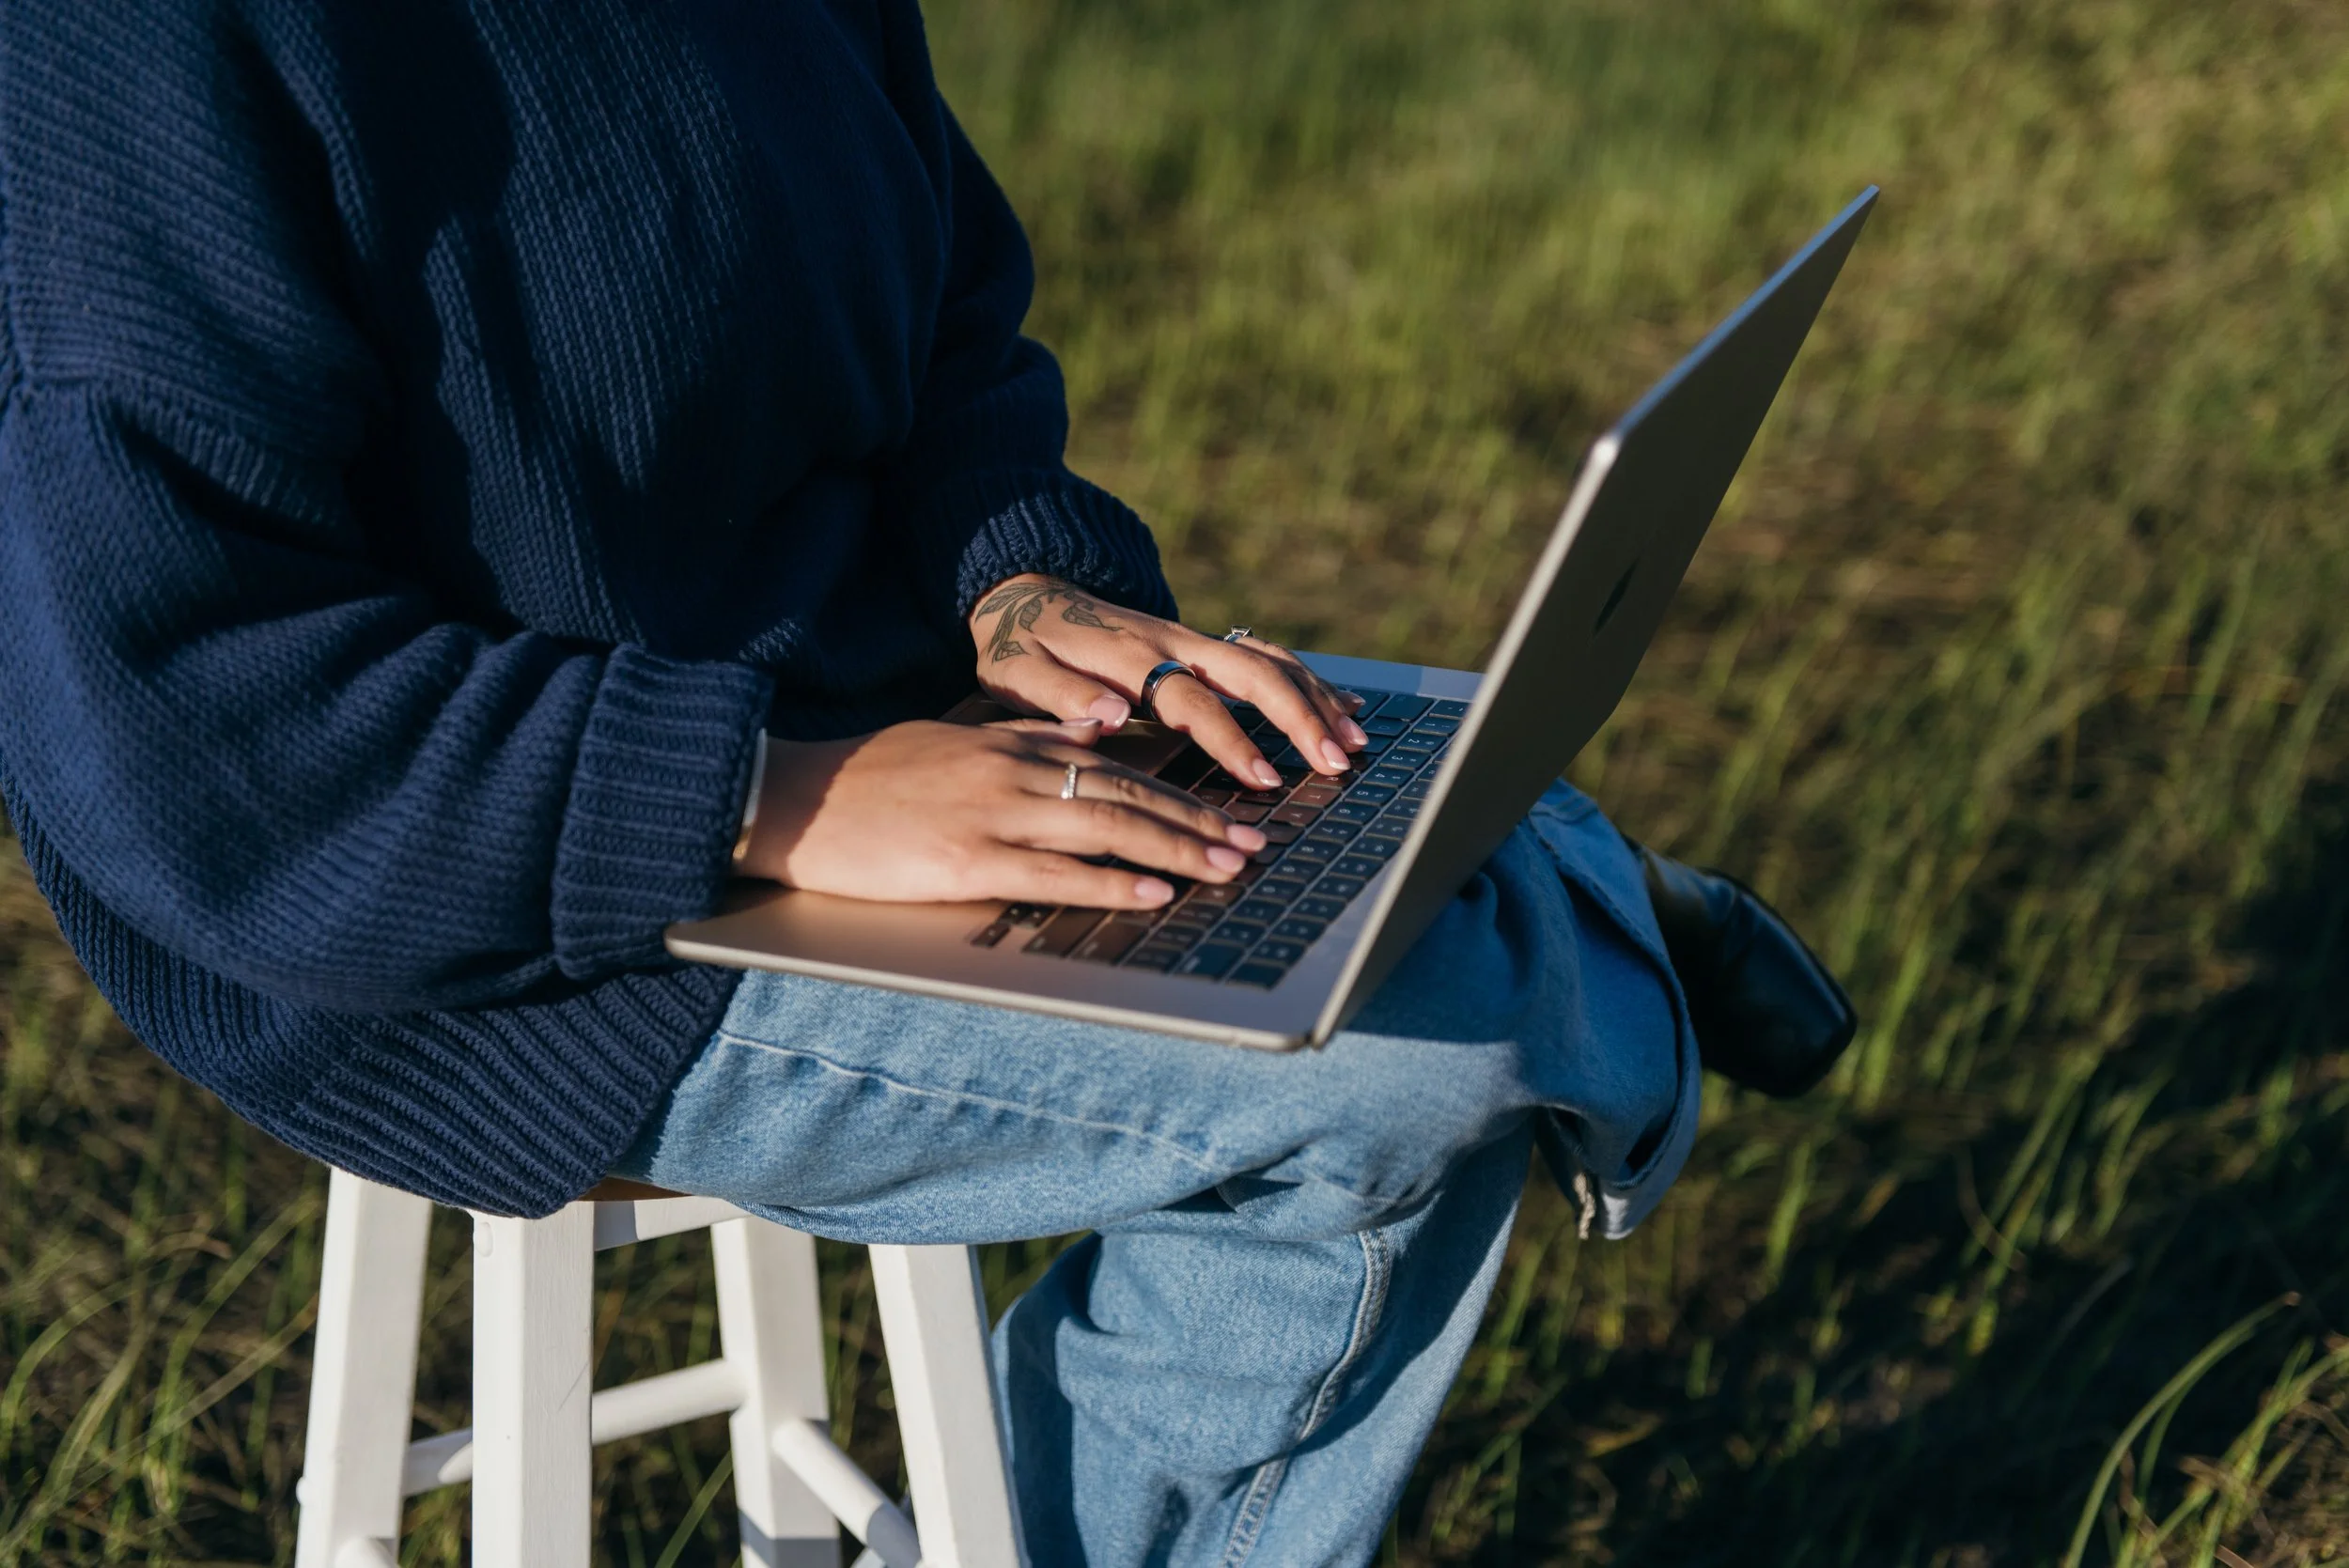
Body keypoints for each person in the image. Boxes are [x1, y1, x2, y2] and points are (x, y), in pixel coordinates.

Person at [0, 0, 1853, 1560]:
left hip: (869, 719)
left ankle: (1538, 893)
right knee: (1397, 1081)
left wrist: (1018, 576)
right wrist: (761, 795)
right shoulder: (129, 58)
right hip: (460, 905)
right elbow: (209, 759)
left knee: (1347, 799)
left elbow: (942, 325)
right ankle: (1587, 918)